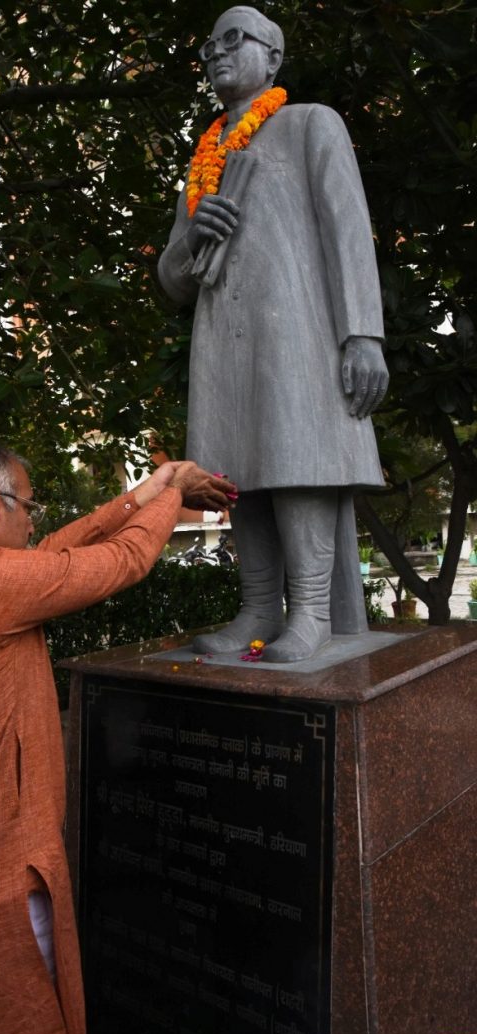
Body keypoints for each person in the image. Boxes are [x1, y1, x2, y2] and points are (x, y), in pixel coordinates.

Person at [0, 438, 235, 1034]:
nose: (34, 520)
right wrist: (174, 493)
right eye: (28, 506)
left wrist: (147, 489)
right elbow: (124, 560)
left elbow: (48, 556)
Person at [158, 5, 389, 662]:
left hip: (297, 333)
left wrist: (363, 335)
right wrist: (193, 238)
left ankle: (311, 611)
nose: (217, 53)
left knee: (296, 462)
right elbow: (172, 277)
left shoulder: (309, 124)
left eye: (235, 39)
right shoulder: (204, 159)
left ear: (273, 56)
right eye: (210, 44)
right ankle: (259, 606)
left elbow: (348, 231)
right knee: (238, 472)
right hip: (220, 336)